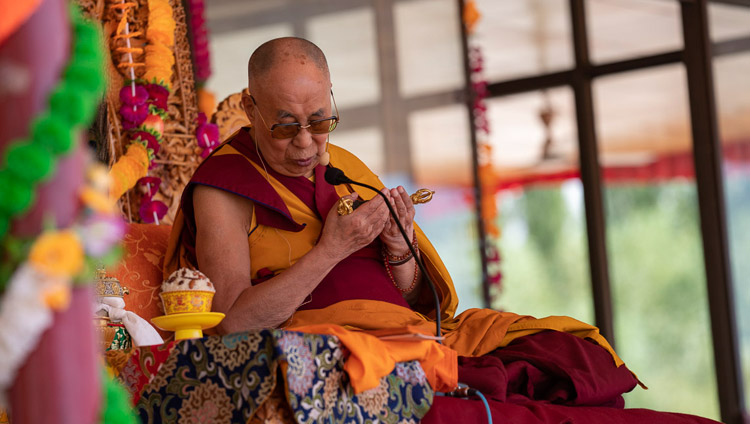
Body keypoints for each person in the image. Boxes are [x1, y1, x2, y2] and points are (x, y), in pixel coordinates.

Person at [164, 37, 719, 423]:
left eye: (320, 122)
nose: (307, 143)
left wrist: (399, 251)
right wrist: (330, 251)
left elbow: (417, 299)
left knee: (574, 358)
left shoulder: (349, 168)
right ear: (251, 109)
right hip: (340, 345)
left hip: (420, 335)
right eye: (286, 127)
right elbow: (231, 321)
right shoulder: (224, 186)